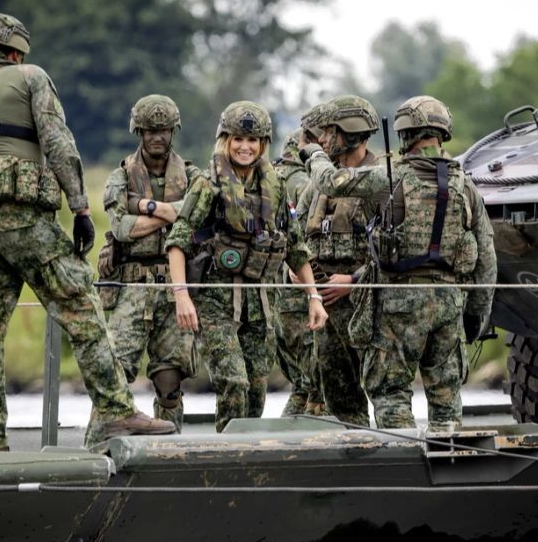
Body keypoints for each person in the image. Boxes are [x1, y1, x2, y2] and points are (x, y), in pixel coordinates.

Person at [0, 13, 175, 450]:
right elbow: (57, 141)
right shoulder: (31, 76)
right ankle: (115, 411)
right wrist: (80, 207)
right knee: (82, 307)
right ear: (16, 50)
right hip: (22, 217)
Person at [300, 95, 497, 430]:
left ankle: (402, 466)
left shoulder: (390, 178)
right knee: (447, 401)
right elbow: (487, 260)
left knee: (391, 394)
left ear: (405, 135)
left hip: (398, 305)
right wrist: (475, 319)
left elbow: (331, 181)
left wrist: (316, 154)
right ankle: (448, 467)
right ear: (443, 134)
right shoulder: (466, 186)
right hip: (450, 305)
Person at [166, 101, 328, 432]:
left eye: (253, 141)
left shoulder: (275, 185)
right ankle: (228, 453)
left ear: (263, 145)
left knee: (256, 390)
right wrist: (181, 295)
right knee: (233, 382)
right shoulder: (208, 185)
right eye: (238, 139)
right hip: (217, 303)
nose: (245, 147)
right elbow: (177, 241)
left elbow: (296, 246)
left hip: (261, 304)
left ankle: (248, 454)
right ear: (225, 140)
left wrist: (314, 297)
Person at [98, 95, 201, 432]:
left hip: (175, 286)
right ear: (138, 132)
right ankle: (97, 445)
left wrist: (143, 206)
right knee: (114, 377)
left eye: (164, 130)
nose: (157, 137)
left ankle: (168, 451)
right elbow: (122, 229)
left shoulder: (190, 174)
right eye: (150, 131)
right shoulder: (120, 176)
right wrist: (171, 212)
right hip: (130, 285)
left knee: (170, 380)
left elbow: (199, 216)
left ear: (173, 132)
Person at [300, 95, 387, 427]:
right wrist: (298, 272)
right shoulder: (317, 186)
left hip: (369, 305)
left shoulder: (381, 181)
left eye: (328, 132)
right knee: (339, 396)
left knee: (385, 391)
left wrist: (353, 282)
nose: (321, 140)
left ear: (349, 133)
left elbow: (398, 252)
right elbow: (296, 238)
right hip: (326, 310)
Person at [273, 103, 328, 417]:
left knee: (305, 386)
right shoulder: (298, 180)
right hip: (301, 292)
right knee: (314, 384)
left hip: (294, 291)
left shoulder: (282, 170)